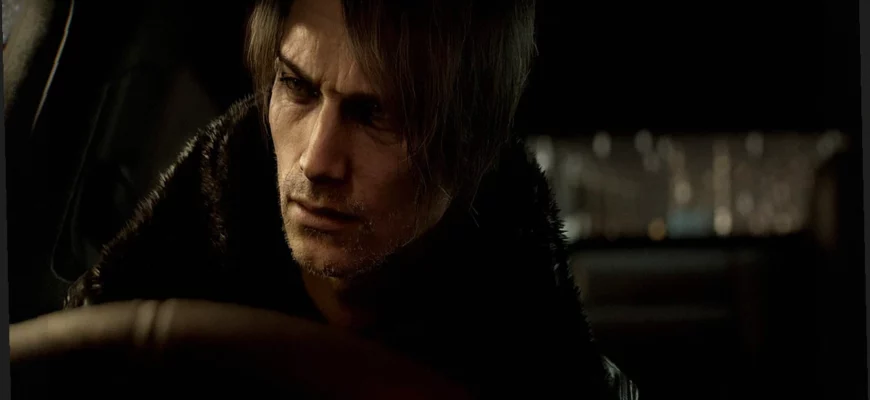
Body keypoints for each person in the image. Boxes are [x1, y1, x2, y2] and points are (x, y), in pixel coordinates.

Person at [65, 0, 639, 398]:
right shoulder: (119, 334)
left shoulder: (542, 373)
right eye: (297, 87)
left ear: (469, 143)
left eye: (376, 113)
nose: (317, 161)